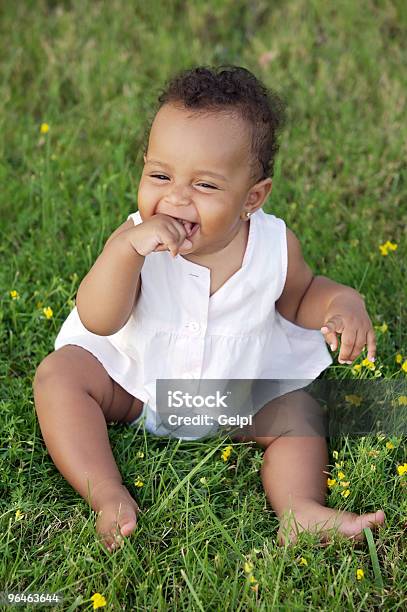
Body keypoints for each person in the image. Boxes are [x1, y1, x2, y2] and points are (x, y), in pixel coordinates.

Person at [33, 65, 385, 552]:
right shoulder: (134, 238)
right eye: (160, 175)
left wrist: (343, 302)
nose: (175, 198)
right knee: (60, 376)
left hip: (233, 400)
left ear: (252, 198)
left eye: (205, 186)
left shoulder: (273, 246)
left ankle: (299, 509)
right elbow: (99, 319)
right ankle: (107, 493)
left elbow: (302, 297)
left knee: (300, 413)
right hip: (136, 388)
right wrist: (125, 253)